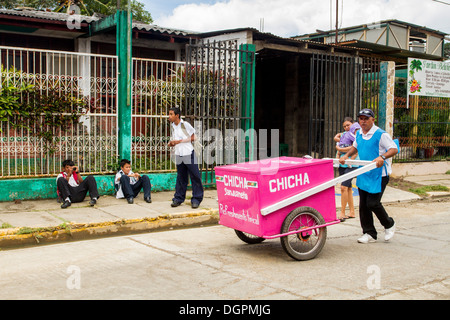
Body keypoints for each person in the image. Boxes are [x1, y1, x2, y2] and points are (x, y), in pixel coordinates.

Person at [339, 108, 398, 244]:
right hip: (364, 173)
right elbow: (356, 146)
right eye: (361, 118)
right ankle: (369, 233)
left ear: (373, 119)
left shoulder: (380, 134)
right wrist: (346, 156)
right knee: (363, 205)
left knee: (373, 203)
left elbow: (393, 148)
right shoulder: (359, 133)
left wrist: (382, 156)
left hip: (379, 175)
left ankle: (389, 224)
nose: (363, 121)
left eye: (366, 118)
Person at [168, 107, 204, 209]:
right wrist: (172, 143)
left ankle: (196, 199)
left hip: (188, 153)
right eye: (169, 114)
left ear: (177, 115)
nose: (169, 116)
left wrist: (179, 141)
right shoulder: (173, 126)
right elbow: (176, 139)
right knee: (181, 177)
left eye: (171, 114)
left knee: (195, 176)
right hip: (179, 153)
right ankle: (178, 198)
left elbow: (194, 137)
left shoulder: (185, 125)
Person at [334, 117, 360, 221]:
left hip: (351, 163)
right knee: (348, 188)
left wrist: (340, 149)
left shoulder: (357, 135)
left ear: (353, 124)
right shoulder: (344, 134)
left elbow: (355, 147)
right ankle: (352, 212)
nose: (346, 127)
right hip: (342, 163)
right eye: (344, 126)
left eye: (348, 125)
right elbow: (337, 139)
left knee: (343, 187)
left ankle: (342, 213)